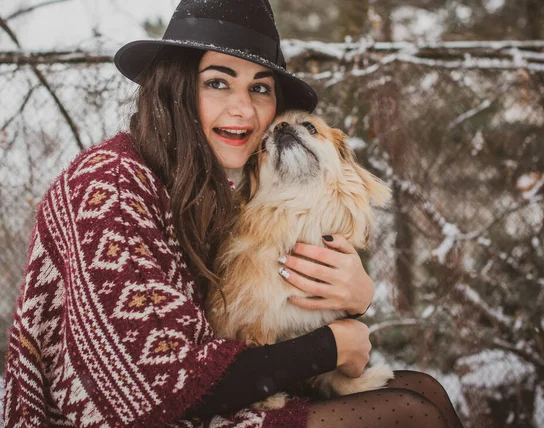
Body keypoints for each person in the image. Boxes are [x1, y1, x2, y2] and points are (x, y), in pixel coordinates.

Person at [2, 0, 464, 427]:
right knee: (409, 414)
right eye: (218, 82)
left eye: (259, 88)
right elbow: (157, 385)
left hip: (209, 397)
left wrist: (356, 297)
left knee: (426, 392)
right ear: (176, 86)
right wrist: (332, 345)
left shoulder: (214, 187)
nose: (243, 108)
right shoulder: (111, 184)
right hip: (141, 414)